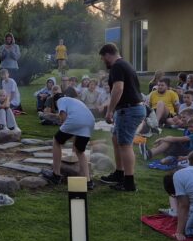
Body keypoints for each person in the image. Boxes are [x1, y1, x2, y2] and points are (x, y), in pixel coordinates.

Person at [98, 43, 146, 192]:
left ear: (108, 55)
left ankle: (129, 182)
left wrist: (109, 111)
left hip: (128, 110)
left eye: (103, 58)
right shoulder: (125, 64)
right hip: (129, 109)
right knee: (115, 139)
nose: (103, 62)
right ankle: (119, 173)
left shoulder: (117, 66)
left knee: (125, 145)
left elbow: (118, 88)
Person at [42, 92, 96, 187]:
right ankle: (88, 181)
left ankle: (56, 175)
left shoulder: (60, 100)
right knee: (79, 150)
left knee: (56, 140)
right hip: (90, 122)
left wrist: (62, 125)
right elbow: (77, 123)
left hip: (76, 120)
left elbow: (63, 116)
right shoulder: (74, 101)